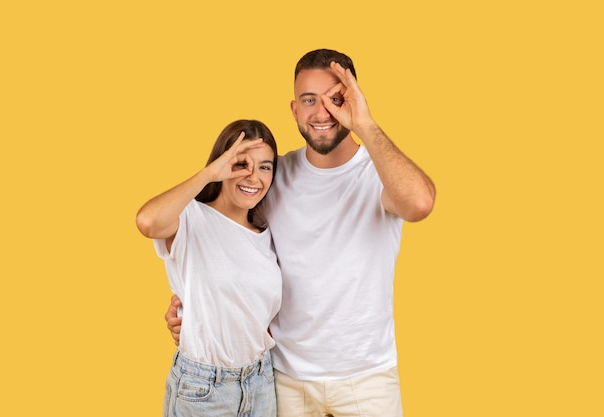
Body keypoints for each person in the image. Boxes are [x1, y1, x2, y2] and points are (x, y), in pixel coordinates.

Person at [165, 49, 437, 417]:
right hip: (284, 378)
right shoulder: (271, 175)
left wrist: (366, 124)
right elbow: (220, 238)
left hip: (366, 378)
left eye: (336, 99)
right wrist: (196, 310)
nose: (322, 112)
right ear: (294, 109)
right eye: (310, 100)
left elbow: (419, 203)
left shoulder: (380, 174)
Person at [136, 119, 282, 417]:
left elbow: (256, 313)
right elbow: (147, 221)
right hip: (204, 388)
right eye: (241, 164)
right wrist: (209, 174)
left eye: (265, 167)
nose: (253, 177)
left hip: (261, 381)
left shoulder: (266, 234)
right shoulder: (191, 218)